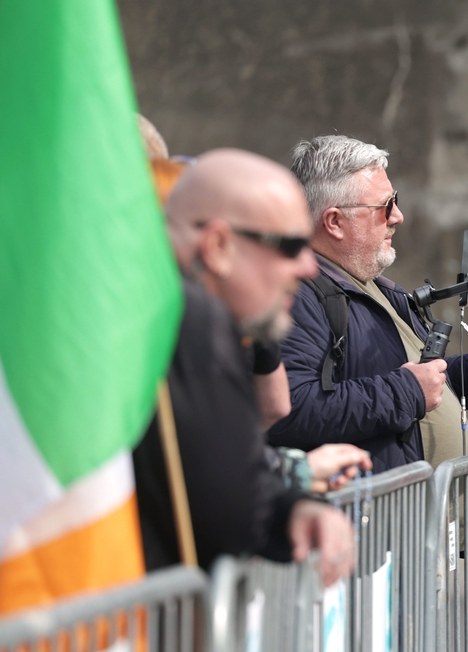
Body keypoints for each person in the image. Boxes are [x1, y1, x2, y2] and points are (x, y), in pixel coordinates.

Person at [268, 135, 468, 472]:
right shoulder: (296, 296)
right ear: (334, 222)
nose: (398, 216)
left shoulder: (372, 286)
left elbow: (425, 383)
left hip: (430, 519)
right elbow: (289, 410)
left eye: (396, 201)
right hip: (385, 520)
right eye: (385, 206)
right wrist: (403, 392)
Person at [134, 148, 357, 585]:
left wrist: (293, 507)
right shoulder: (189, 315)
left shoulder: (139, 301)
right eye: (290, 245)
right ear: (217, 245)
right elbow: (230, 510)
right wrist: (287, 509)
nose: (309, 266)